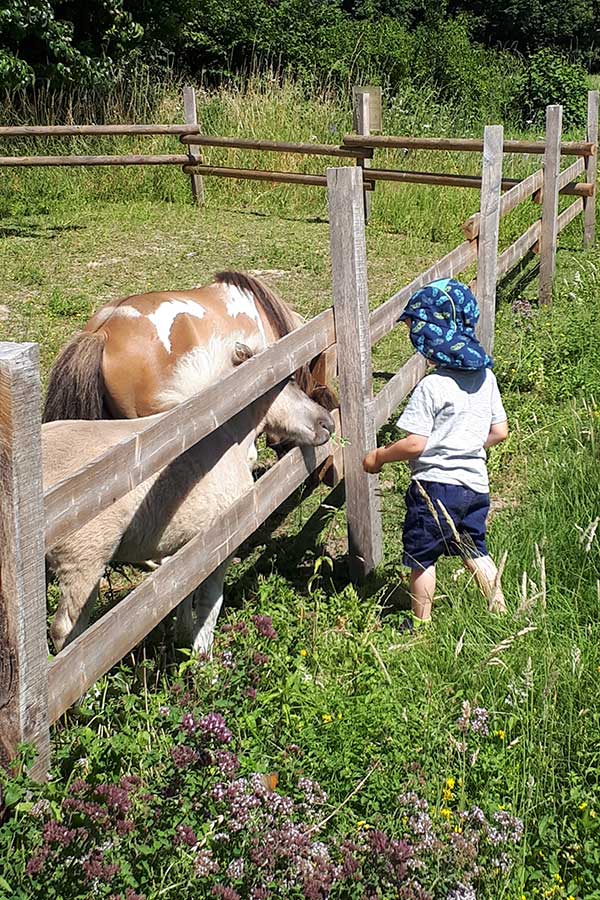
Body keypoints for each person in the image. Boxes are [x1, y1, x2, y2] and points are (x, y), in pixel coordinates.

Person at [362, 278, 509, 626]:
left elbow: (416, 444)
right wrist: (468, 445)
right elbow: (500, 432)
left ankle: (421, 626)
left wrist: (379, 456)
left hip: (434, 487)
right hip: (475, 486)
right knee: (475, 549)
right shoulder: (486, 379)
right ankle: (500, 609)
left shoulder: (431, 386)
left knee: (421, 556)